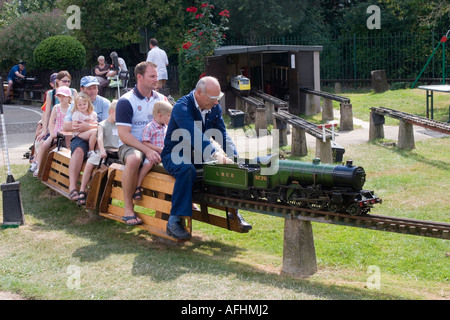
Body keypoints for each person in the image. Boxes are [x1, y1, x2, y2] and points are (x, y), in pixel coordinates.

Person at [161, 76, 252, 239]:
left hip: (198, 155)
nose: (217, 103)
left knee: (228, 169)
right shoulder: (182, 107)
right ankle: (174, 220)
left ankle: (233, 212)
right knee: (186, 169)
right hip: (174, 155)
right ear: (199, 93)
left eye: (219, 98)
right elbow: (193, 135)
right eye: (213, 99)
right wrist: (215, 153)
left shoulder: (214, 108)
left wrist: (234, 157)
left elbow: (222, 134)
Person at [115, 61, 168, 226]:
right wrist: (147, 150)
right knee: (134, 159)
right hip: (131, 145)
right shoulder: (126, 101)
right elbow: (124, 135)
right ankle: (128, 209)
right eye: (152, 76)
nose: (156, 80)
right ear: (139, 77)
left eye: (156, 76)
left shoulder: (162, 99)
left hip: (158, 144)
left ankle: (177, 208)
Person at [63, 76, 110, 201]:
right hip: (81, 136)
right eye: (89, 89)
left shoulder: (104, 103)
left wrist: (88, 126)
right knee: (78, 150)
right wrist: (79, 127)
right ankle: (72, 187)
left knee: (100, 153)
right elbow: (66, 125)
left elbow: (107, 125)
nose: (93, 91)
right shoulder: (76, 103)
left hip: (98, 137)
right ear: (82, 89)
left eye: (95, 88)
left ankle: (92, 192)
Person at [33, 71, 77, 177]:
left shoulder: (72, 101)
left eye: (68, 81)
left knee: (70, 145)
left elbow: (76, 115)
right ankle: (38, 165)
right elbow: (47, 115)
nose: (66, 83)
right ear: (58, 81)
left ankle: (68, 169)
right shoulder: (52, 97)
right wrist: (47, 131)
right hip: (56, 129)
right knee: (44, 143)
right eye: (64, 81)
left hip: (68, 131)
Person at [77, 100, 119, 206]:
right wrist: (102, 150)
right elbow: (99, 138)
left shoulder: (120, 125)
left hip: (117, 153)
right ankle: (82, 190)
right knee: (90, 163)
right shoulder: (103, 124)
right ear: (111, 112)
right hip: (105, 151)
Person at [134, 100, 173, 200]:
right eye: (168, 115)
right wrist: (157, 149)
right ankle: (137, 186)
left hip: (164, 154)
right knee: (148, 164)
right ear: (159, 115)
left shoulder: (166, 127)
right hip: (153, 153)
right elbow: (145, 143)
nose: (170, 118)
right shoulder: (150, 127)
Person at [71, 92, 98, 158]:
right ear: (76, 105)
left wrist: (88, 125)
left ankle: (98, 151)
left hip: (89, 132)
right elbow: (75, 127)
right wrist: (88, 125)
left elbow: (97, 124)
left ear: (88, 103)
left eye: (84, 104)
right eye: (80, 105)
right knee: (94, 131)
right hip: (79, 134)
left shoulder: (92, 114)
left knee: (98, 132)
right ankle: (90, 151)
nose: (82, 106)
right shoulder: (77, 114)